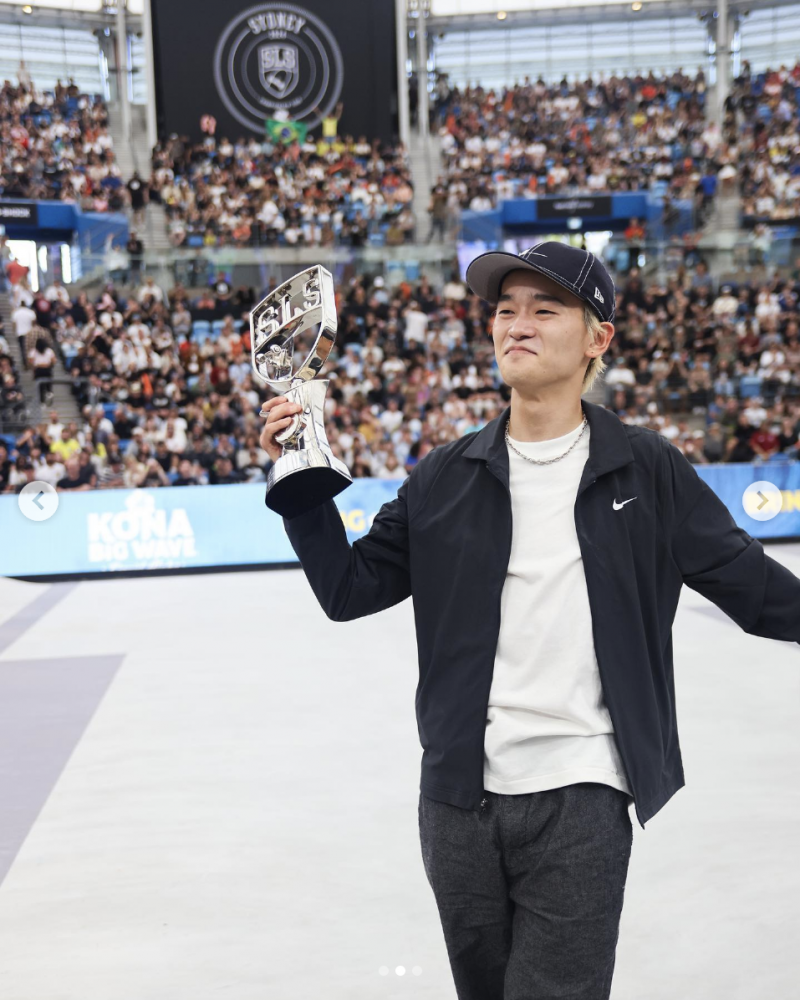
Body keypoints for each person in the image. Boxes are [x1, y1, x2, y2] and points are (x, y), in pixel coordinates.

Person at [260, 241, 800, 999]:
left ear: (598, 338)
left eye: (545, 309)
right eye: (505, 309)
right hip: (456, 805)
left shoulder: (647, 471)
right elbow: (348, 589)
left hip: (583, 795)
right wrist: (302, 479)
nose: (517, 324)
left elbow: (758, 592)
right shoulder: (445, 476)